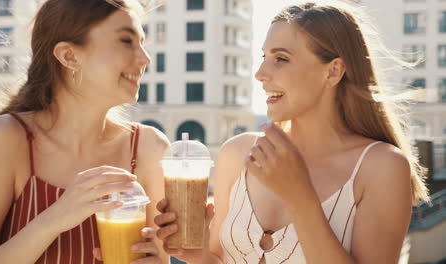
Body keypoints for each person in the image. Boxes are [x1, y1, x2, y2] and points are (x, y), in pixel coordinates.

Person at [154, 1, 430, 263]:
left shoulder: (381, 166)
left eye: (281, 59)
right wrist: (200, 255)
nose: (260, 73)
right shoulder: (238, 154)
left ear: (333, 71)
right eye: (264, 56)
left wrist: (300, 197)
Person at [0, 0, 168, 263]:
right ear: (69, 56)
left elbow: (160, 257)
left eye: (143, 43)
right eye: (126, 41)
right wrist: (55, 219)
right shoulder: (9, 137)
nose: (145, 58)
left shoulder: (150, 148)